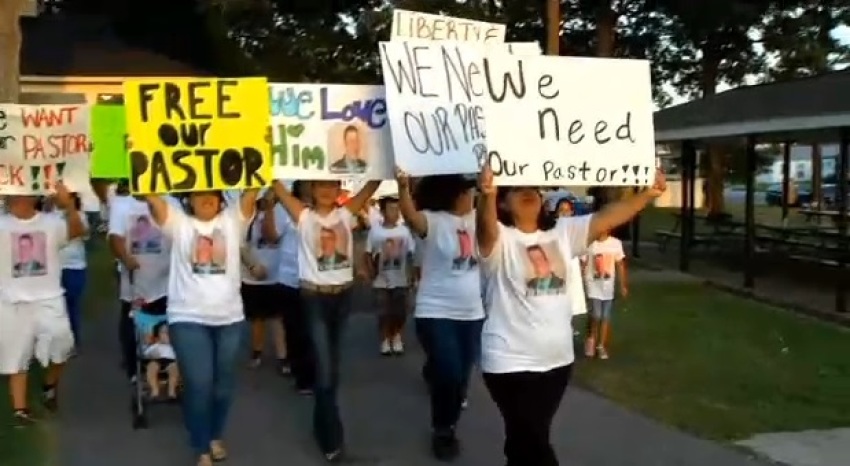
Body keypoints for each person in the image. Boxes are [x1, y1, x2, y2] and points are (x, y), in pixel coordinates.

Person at [475, 163, 665, 466]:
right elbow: (485, 231)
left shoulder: (563, 232)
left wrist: (648, 194)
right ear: (503, 202)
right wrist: (486, 195)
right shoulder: (500, 238)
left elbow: (607, 218)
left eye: (533, 188)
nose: (527, 192)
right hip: (509, 360)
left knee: (525, 438)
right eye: (516, 189)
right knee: (534, 439)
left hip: (556, 362)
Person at [140, 188, 259, 466]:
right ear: (189, 199)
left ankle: (215, 434)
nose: (207, 199)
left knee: (223, 385)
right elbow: (155, 201)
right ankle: (201, 446)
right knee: (199, 383)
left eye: (212, 194)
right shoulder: (180, 223)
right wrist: (144, 180)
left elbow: (251, 192)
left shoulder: (232, 221)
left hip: (229, 318)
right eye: (200, 194)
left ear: (220, 199)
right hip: (187, 318)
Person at [272, 178, 380, 462]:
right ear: (311, 189)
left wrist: (391, 168)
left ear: (338, 190)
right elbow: (277, 187)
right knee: (325, 371)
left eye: (331, 186)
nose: (325, 191)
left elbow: (371, 185)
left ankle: (322, 427)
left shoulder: (345, 214)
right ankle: (333, 441)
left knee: (331, 368)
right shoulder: (303, 216)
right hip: (314, 299)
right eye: (320, 185)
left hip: (342, 298)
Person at [397, 171, 483, 461]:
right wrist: (402, 187)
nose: (471, 197)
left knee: (461, 376)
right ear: (454, 195)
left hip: (472, 313)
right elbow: (411, 217)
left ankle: (443, 399)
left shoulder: (478, 219)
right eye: (467, 192)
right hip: (436, 310)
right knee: (450, 373)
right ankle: (443, 430)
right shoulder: (433, 220)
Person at [0, 183, 85, 428]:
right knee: (16, 357)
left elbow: (77, 232)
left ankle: (49, 385)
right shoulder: (2, 225)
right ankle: (20, 411)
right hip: (12, 301)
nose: (16, 199)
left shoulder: (51, 222)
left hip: (49, 298)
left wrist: (69, 206)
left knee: (63, 344)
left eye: (21, 195)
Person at [107, 187, 172, 383]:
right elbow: (115, 237)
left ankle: (162, 363)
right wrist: (125, 257)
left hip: (164, 280)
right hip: (135, 280)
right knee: (132, 322)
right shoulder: (121, 204)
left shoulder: (169, 201)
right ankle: (133, 366)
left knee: (163, 325)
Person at [274, 181, 315, 394]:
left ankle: (315, 373)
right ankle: (301, 374)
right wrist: (269, 209)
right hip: (289, 278)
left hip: (315, 279)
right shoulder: (283, 207)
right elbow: (272, 236)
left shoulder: (323, 207)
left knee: (313, 329)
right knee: (294, 329)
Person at [241, 192, 289, 373]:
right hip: (252, 276)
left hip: (277, 276)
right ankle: (257, 352)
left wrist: (269, 211)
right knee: (257, 318)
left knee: (278, 317)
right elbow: (240, 243)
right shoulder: (247, 213)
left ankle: (283, 357)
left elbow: (273, 237)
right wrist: (252, 266)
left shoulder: (281, 211)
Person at [363, 196, 415, 355]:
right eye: (391, 209)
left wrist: (411, 274)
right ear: (383, 211)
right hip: (381, 280)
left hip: (401, 278)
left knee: (400, 311)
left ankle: (397, 335)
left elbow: (411, 254)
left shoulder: (404, 231)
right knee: (383, 312)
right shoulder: (375, 231)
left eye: (397, 209)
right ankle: (385, 339)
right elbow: (367, 253)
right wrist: (369, 272)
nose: (395, 212)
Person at [581, 229, 628, 360]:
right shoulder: (590, 243)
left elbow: (620, 264)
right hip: (593, 285)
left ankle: (600, 345)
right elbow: (584, 263)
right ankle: (591, 339)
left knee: (605, 316)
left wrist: (622, 285)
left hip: (608, 287)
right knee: (596, 314)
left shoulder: (615, 243)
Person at [55, 193, 89, 348]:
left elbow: (82, 232)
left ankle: (73, 341)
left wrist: (70, 210)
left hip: (75, 267)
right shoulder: (50, 216)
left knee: (71, 304)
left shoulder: (80, 216)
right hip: (55, 268)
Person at [143, 321, 179, 401]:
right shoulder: (155, 345)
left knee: (174, 369)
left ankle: (172, 392)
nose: (166, 335)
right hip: (156, 360)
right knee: (152, 367)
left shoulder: (175, 346)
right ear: (158, 335)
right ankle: (155, 391)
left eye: (168, 332)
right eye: (163, 332)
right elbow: (146, 354)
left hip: (171, 361)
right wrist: (152, 353)